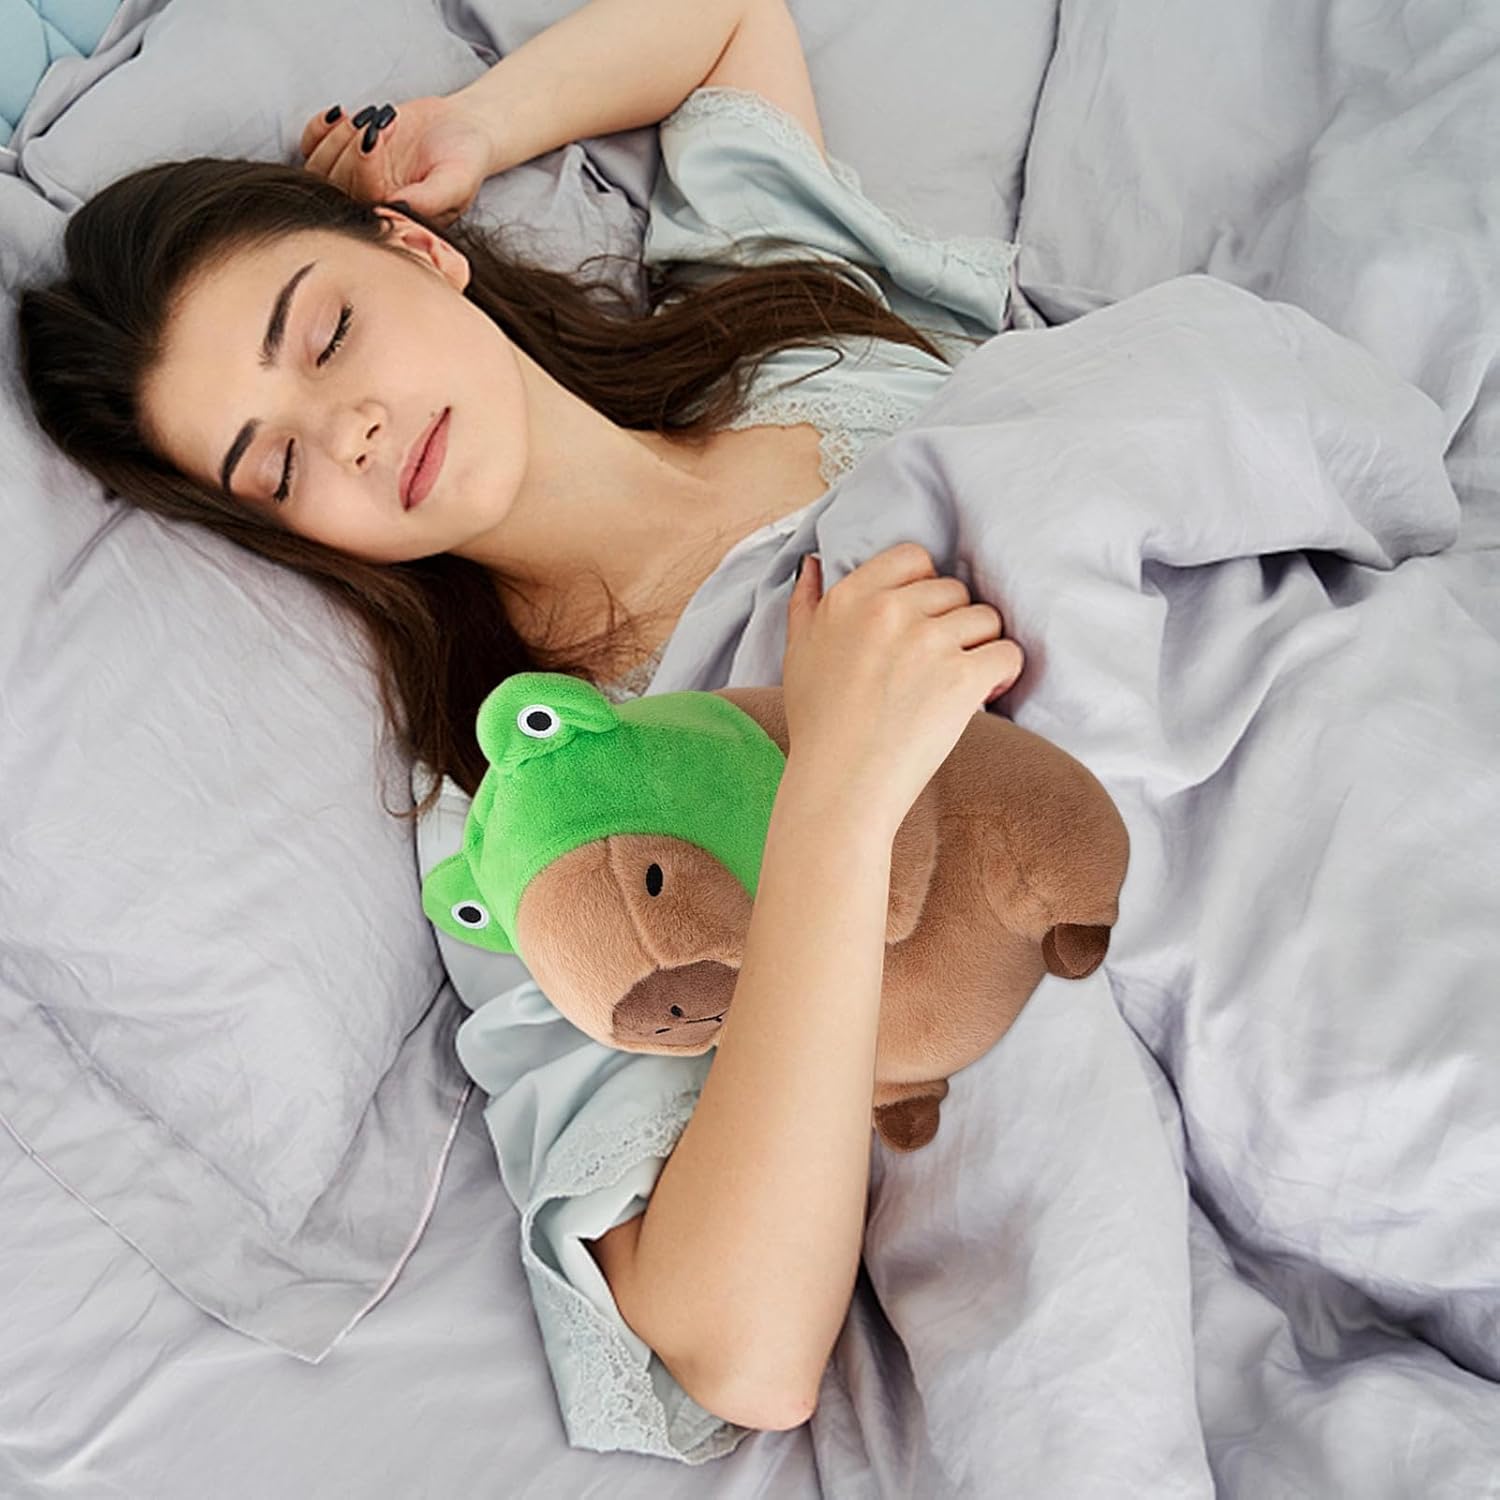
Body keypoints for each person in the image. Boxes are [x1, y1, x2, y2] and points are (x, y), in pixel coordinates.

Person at [16, 0, 1026, 1462]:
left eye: (330, 333)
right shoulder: (530, 792)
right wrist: (837, 806)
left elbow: (728, 22)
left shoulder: (779, 326)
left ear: (419, 251)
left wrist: (469, 131)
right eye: (279, 466)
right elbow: (740, 1348)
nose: (352, 430)